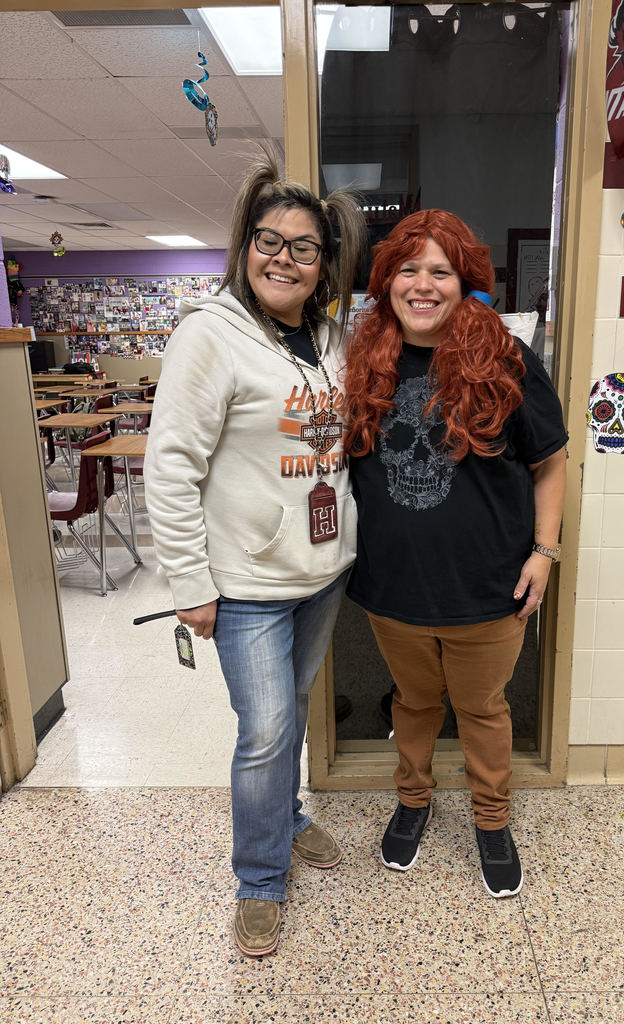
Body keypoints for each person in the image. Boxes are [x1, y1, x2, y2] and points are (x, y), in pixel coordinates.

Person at [143, 145, 367, 958]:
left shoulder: (333, 339)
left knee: (290, 711)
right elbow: (168, 467)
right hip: (245, 584)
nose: (284, 258)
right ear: (245, 249)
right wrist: (189, 584)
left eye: (303, 247)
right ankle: (260, 878)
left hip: (323, 572)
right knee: (265, 731)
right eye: (269, 241)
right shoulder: (209, 335)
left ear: (323, 265)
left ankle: (288, 815)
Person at [342, 209, 567, 898]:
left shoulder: (504, 359)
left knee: (483, 709)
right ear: (386, 281)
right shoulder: (362, 358)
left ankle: (492, 820)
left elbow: (552, 462)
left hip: (490, 584)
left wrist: (544, 553)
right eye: (408, 269)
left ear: (463, 280)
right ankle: (413, 804)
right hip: (394, 585)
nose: (422, 284)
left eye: (439, 270)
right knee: (413, 703)